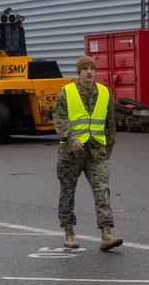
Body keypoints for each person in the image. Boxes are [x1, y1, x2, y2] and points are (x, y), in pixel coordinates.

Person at [52, 55, 123, 251]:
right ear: (79, 72)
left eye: (92, 68)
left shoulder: (104, 93)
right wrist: (70, 138)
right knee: (67, 192)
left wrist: (107, 149)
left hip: (96, 152)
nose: (89, 72)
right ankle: (69, 233)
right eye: (85, 69)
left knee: (102, 190)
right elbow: (58, 117)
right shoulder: (67, 93)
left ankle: (106, 233)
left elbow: (110, 124)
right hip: (71, 153)